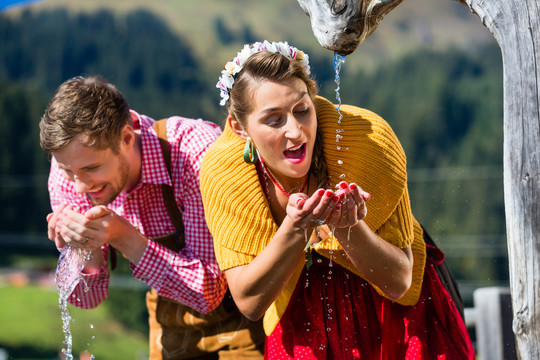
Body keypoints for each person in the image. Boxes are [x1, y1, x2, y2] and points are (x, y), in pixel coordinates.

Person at [200, 41, 475, 359]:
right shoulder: (226, 172)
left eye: (302, 110)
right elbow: (250, 302)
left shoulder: (369, 143)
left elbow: (399, 281)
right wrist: (295, 229)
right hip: (300, 316)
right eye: (274, 120)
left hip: (396, 316)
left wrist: (348, 228)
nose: (296, 131)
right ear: (239, 127)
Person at [40, 75, 264, 360]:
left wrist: (123, 236)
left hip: (247, 321)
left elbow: (210, 290)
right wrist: (86, 249)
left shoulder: (193, 154)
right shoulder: (69, 170)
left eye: (92, 168)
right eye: (68, 171)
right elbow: (88, 300)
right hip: (170, 326)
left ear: (125, 138)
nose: (80, 187)